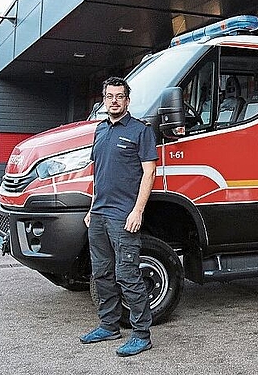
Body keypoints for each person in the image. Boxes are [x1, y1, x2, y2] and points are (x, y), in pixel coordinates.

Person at [79, 76, 158, 357]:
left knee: (128, 275)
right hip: (99, 215)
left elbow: (149, 173)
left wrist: (138, 211)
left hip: (124, 217)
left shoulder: (140, 131)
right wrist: (91, 208)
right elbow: (97, 173)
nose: (114, 101)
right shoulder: (100, 130)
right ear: (104, 100)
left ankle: (141, 334)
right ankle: (109, 325)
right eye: (109, 96)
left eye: (119, 96)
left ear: (127, 100)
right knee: (102, 273)